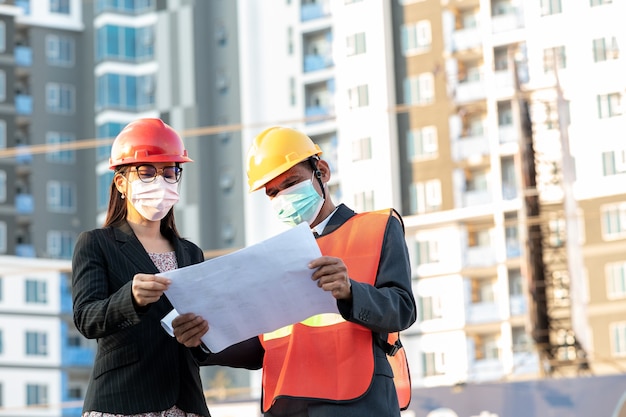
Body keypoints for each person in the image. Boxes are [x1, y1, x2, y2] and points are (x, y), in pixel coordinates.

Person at [173, 126, 417, 417]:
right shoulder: (271, 258)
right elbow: (261, 347)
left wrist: (351, 292)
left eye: (291, 183)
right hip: (286, 403)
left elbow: (402, 310)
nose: (283, 197)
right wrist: (202, 342)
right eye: (273, 192)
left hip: (357, 400)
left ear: (322, 171)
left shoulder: (376, 228)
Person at [72, 118, 212, 417]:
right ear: (121, 182)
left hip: (185, 402)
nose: (160, 182)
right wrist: (131, 299)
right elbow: (86, 319)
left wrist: (202, 335)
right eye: (147, 172)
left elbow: (203, 342)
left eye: (170, 172)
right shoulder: (97, 243)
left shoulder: (191, 252)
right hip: (124, 401)